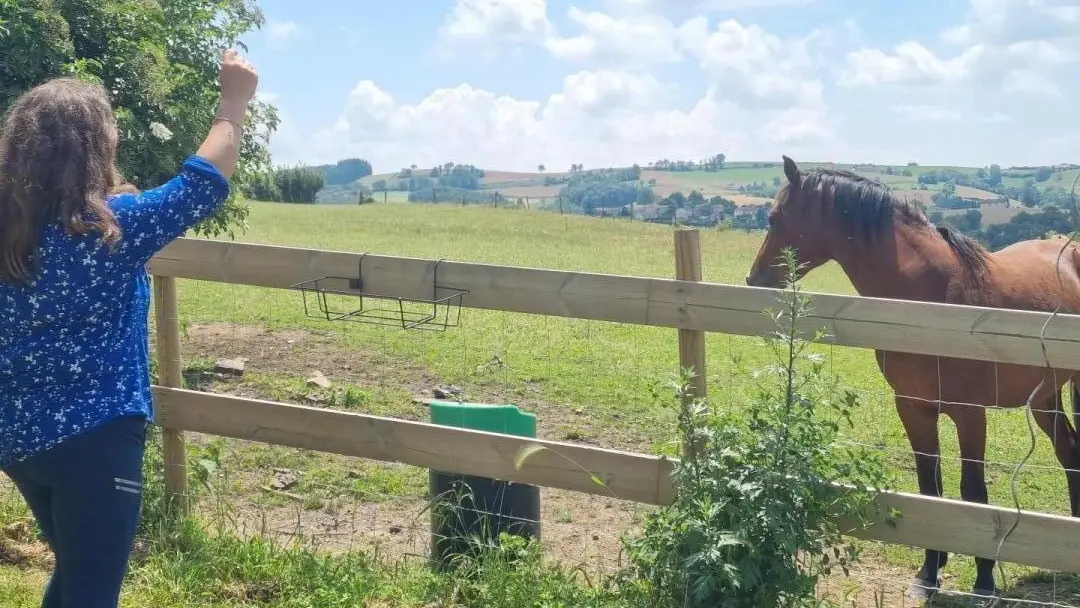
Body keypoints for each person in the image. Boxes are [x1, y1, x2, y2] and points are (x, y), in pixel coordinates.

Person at [0, 49, 259, 607]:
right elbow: (203, 182)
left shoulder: (12, 232)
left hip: (19, 437)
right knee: (92, 591)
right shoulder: (111, 232)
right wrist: (233, 105)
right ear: (95, 151)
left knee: (75, 576)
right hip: (95, 438)